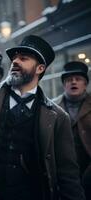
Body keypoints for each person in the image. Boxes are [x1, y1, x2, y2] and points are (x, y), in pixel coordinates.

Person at [0, 35, 85, 200]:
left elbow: (67, 174)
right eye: (14, 58)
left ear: (40, 68)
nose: (15, 61)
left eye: (23, 58)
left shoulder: (59, 117)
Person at [53, 61, 91, 199]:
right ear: (64, 84)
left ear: (85, 83)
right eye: (69, 80)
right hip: (63, 173)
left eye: (78, 79)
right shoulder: (52, 107)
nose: (73, 82)